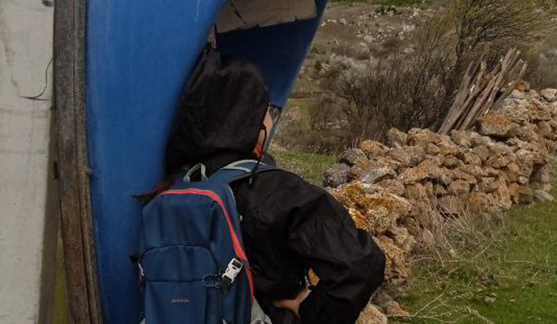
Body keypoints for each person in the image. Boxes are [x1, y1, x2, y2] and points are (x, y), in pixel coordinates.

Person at [149, 41, 385, 324]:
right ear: (245, 120)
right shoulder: (279, 193)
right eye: (265, 110)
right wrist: (311, 312)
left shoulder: (173, 190)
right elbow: (360, 265)